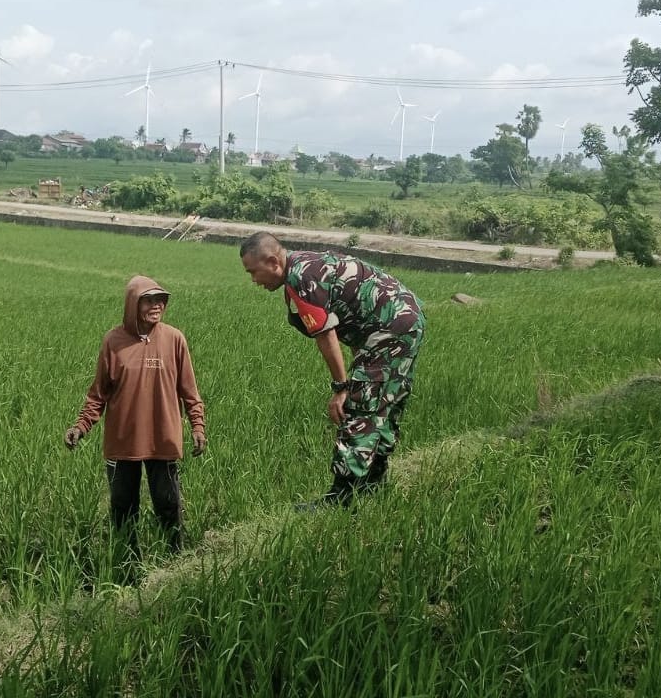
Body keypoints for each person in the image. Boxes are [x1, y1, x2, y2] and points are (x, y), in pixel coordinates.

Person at [239, 232, 425, 508]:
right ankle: (374, 482)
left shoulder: (301, 279)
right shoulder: (305, 266)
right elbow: (354, 315)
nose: (253, 280)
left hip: (389, 327)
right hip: (404, 321)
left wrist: (342, 387)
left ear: (272, 261)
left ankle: (342, 496)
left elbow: (325, 335)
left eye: (253, 272)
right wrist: (358, 368)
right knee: (383, 404)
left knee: (359, 408)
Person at [64, 275, 206, 568]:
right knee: (123, 509)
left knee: (168, 505)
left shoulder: (174, 339)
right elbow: (98, 394)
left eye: (160, 301)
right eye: (149, 301)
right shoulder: (113, 341)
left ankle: (174, 564)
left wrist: (197, 425)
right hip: (123, 442)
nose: (156, 307)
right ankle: (128, 567)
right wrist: (81, 426)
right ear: (132, 305)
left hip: (162, 439)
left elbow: (189, 390)